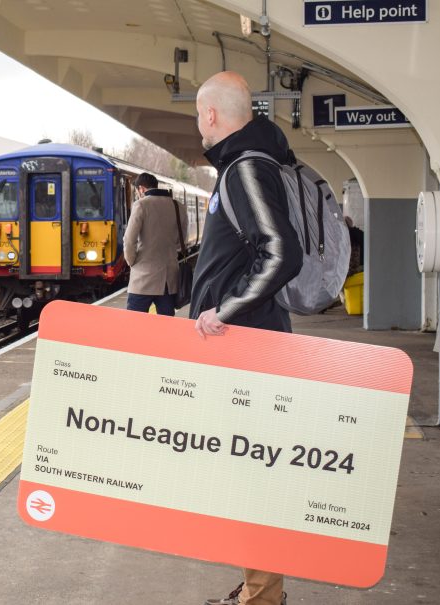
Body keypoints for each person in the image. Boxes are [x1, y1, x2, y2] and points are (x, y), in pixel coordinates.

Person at [191, 71, 303, 605]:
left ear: (211, 114)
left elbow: (281, 252)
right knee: (247, 467)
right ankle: (259, 588)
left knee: (255, 473)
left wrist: (225, 311)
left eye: (197, 115)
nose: (198, 124)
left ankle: (262, 597)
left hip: (250, 347)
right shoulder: (247, 163)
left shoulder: (246, 168)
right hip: (246, 345)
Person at [122, 172, 187, 316]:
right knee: (166, 325)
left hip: (143, 278)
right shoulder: (178, 206)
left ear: (141, 189)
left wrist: (132, 262)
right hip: (169, 281)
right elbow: (181, 242)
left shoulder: (141, 205)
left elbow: (129, 240)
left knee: (134, 323)